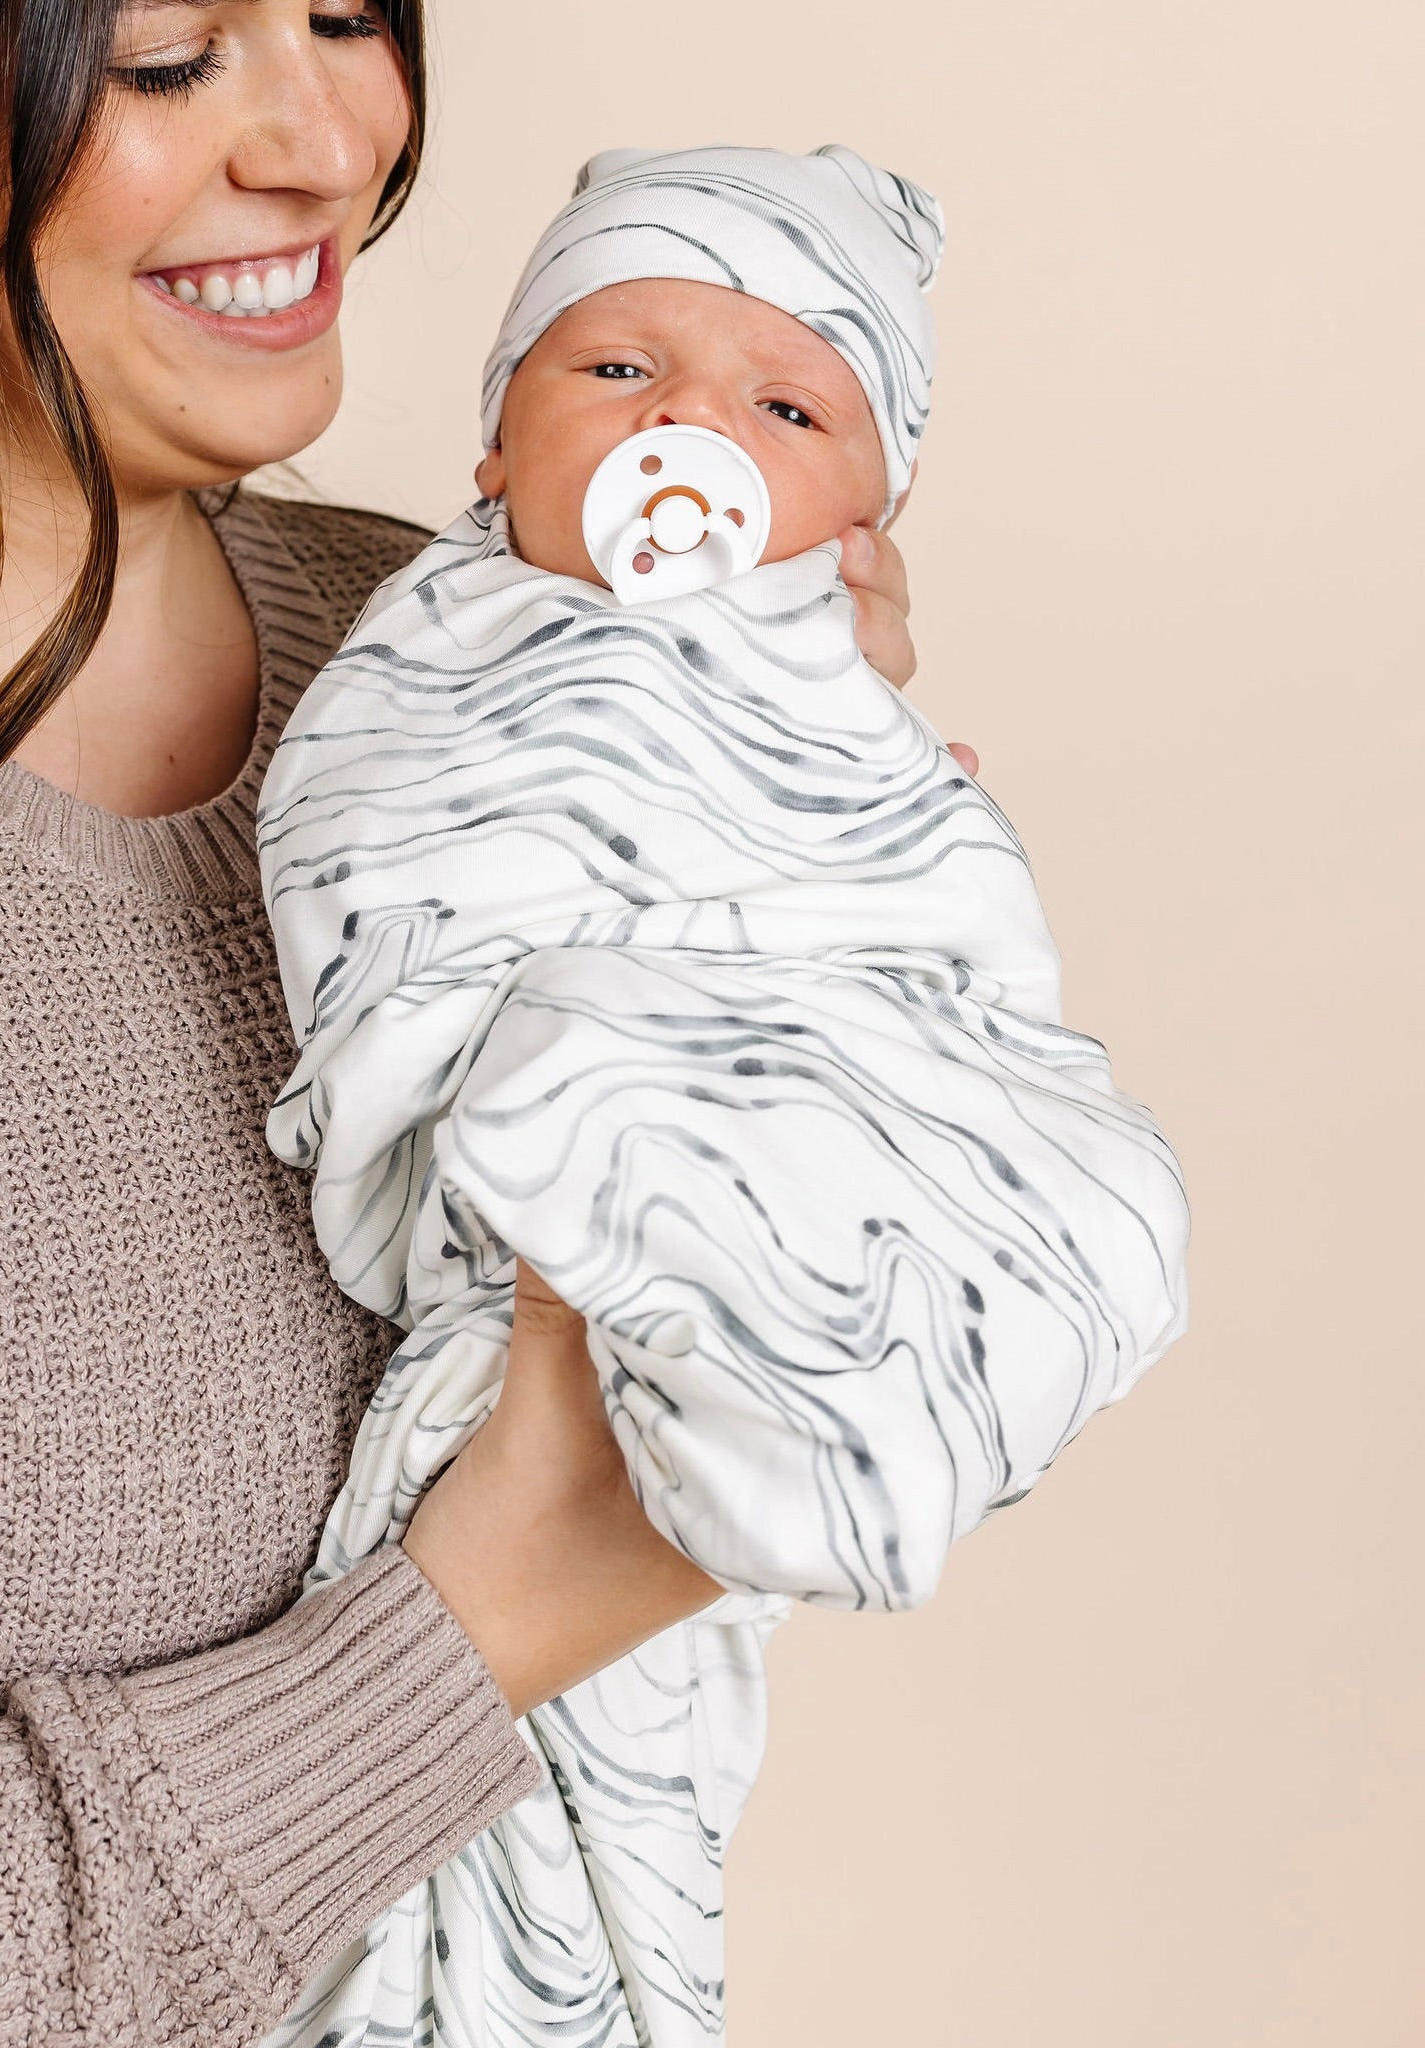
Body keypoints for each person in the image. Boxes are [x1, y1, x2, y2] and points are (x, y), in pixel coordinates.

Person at [0, 12, 937, 2046]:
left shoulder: (476, 668)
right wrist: (472, 1628)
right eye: (167, 53)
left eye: (345, 20)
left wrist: (813, 872)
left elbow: (881, 1344)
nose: (324, 138)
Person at [256, 145, 1189, 2046]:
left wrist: (823, 761)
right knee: (605, 1068)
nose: (694, 423)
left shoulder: (838, 686)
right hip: (534, 1157)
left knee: (1102, 1182)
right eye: (616, 370)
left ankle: (814, 1394)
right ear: (496, 450)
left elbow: (938, 935)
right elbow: (371, 864)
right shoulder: (415, 649)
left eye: (788, 407)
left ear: (863, 517)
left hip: (779, 1096)